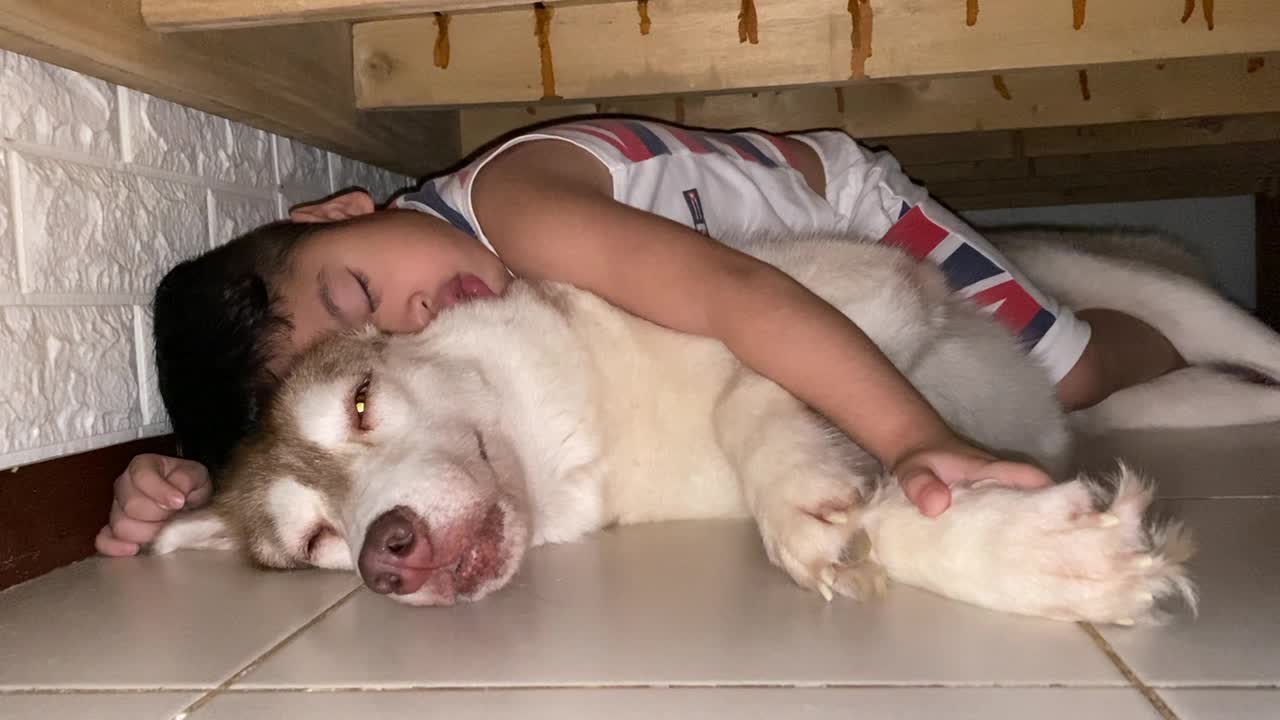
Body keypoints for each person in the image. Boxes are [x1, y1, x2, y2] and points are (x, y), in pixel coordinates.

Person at [95, 117, 1185, 557]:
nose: (413, 324)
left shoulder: (514, 212)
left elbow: (726, 298)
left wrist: (906, 439)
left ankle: (1157, 328)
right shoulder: (473, 296)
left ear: (339, 209)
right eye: (374, 346)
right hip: (779, 274)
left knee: (1077, 375)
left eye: (358, 293)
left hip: (846, 209)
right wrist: (198, 484)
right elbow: (327, 448)